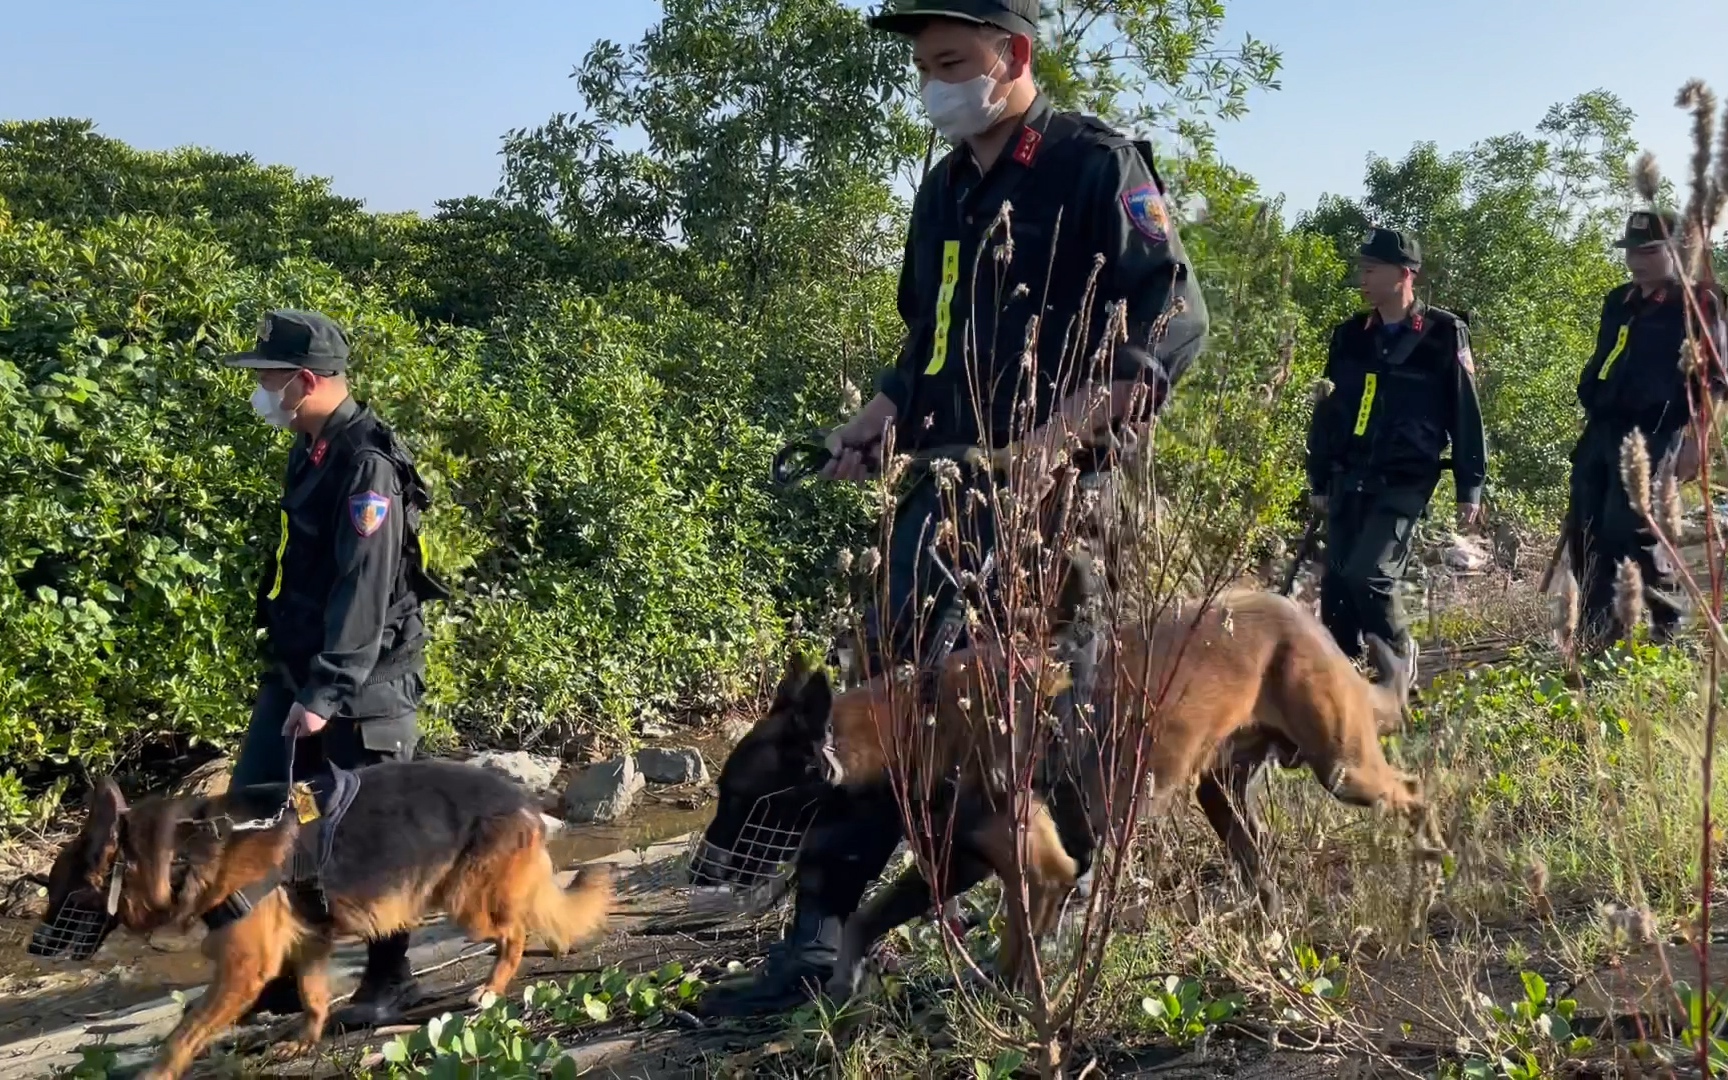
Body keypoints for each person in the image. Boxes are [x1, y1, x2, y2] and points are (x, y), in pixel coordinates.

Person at [700, 0, 1207, 1016]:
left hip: (1058, 505)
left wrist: (1057, 439)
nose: (933, 83)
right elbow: (925, 346)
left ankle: (1036, 929)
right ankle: (818, 949)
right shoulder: (942, 192)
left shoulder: (1096, 166)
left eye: (951, 60)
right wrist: (875, 417)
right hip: (937, 498)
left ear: (1013, 55)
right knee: (879, 704)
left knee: (1046, 723)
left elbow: (1175, 324)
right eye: (925, 66)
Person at [222, 309, 449, 1029]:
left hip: (363, 685)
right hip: (302, 672)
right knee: (266, 814)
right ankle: (288, 973)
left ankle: (392, 978)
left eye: (267, 379)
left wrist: (327, 690)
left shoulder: (367, 463)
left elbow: (366, 586)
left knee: (374, 836)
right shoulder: (310, 446)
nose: (259, 391)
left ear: (306, 381)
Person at [1305, 227, 1487, 681]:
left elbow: (1466, 410)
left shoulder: (1444, 333)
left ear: (1405, 274)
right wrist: (1320, 478)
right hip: (1350, 473)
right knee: (1337, 588)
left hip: (1406, 477)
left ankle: (1397, 663)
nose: (1362, 278)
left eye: (1372, 269)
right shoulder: (1349, 336)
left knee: (1371, 575)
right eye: (1362, 269)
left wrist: (1470, 485)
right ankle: (1343, 686)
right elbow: (1327, 413)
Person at [1567, 208, 1727, 649]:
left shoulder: (1700, 301)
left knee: (1632, 529)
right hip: (1602, 430)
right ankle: (1596, 635)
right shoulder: (1619, 301)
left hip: (1657, 432)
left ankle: (1666, 626)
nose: (1636, 259)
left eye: (1650, 250)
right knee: (1586, 529)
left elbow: (1714, 381)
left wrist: (1699, 442)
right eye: (1631, 250)